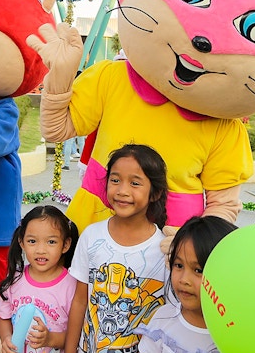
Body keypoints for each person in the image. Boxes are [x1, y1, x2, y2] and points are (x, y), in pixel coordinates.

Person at [65, 144, 168, 353]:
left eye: (135, 183)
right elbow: (79, 301)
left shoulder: (163, 249)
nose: (122, 191)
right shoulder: (92, 236)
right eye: (115, 180)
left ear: (155, 193)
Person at [136, 216, 238, 352]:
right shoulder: (163, 319)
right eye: (178, 265)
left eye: (198, 270)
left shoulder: (239, 330)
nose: (184, 279)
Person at [0, 205, 78, 353]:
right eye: (32, 241)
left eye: (51, 242)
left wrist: (50, 339)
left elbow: (77, 335)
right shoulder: (15, 279)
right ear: (21, 242)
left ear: (65, 245)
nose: (40, 250)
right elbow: (4, 317)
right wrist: (6, 338)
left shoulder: (72, 285)